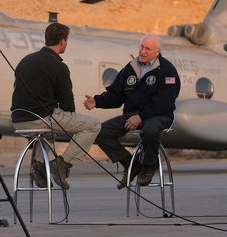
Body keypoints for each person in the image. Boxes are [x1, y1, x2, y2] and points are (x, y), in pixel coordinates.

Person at [11, 22, 101, 190]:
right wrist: (70, 113)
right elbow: (67, 104)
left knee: (48, 132)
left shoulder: (25, 60)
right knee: (93, 124)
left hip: (18, 119)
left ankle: (39, 166)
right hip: (40, 119)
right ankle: (62, 163)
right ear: (62, 41)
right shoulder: (59, 66)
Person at [84, 33, 180, 189]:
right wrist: (97, 101)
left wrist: (141, 116)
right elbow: (116, 95)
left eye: (148, 49)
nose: (142, 51)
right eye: (141, 46)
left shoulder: (167, 70)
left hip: (159, 115)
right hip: (132, 115)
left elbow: (164, 103)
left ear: (157, 51)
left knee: (150, 130)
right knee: (100, 132)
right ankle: (131, 165)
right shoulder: (131, 68)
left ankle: (149, 166)